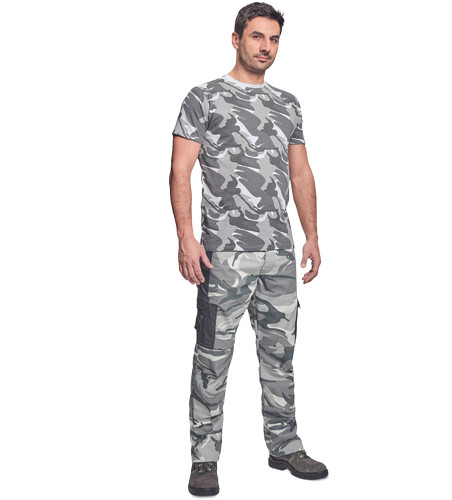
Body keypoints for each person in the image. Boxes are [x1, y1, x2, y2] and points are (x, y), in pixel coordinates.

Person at [170, 2, 328, 496]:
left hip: (278, 253)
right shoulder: (204, 98)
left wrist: (311, 234)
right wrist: (186, 237)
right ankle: (204, 457)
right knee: (212, 357)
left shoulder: (288, 104)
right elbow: (180, 170)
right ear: (236, 38)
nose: (266, 47)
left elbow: (300, 172)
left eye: (274, 39)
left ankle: (284, 445)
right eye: (257, 36)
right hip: (223, 256)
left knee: (280, 356)